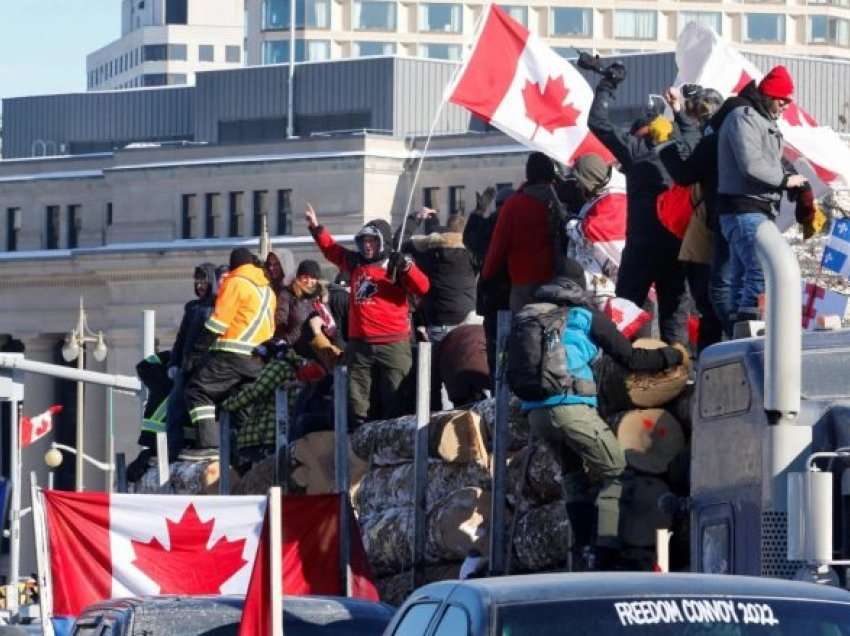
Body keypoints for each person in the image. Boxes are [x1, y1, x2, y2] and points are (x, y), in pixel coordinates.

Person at [523, 271, 684, 568]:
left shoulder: (528, 318)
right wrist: (671, 356)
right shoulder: (585, 317)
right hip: (571, 407)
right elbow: (633, 360)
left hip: (536, 413)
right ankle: (606, 548)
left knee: (574, 477)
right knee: (616, 470)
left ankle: (584, 548)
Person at [586, 57, 689, 345]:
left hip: (642, 244)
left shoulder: (636, 150)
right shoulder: (684, 150)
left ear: (639, 131)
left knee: (625, 314)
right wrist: (681, 113)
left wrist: (607, 85)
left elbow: (598, 122)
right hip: (677, 247)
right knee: (674, 319)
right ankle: (678, 373)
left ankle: (620, 370)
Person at [305, 203, 430, 428]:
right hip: (360, 346)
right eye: (364, 241)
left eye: (372, 241)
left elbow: (423, 287)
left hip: (393, 344)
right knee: (357, 402)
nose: (367, 246)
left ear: (381, 242)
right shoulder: (355, 263)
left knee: (395, 398)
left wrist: (407, 267)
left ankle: (393, 442)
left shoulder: (395, 264)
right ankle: (360, 442)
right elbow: (332, 250)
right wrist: (316, 229)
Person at [716, 65, 807, 324]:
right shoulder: (743, 118)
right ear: (770, 96)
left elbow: (764, 162)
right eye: (784, 99)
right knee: (761, 269)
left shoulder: (758, 120)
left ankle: (735, 331)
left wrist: (789, 180)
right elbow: (751, 165)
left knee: (742, 275)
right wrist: (785, 180)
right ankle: (748, 330)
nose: (787, 105)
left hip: (749, 210)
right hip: (744, 210)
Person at [182, 247, 276, 460]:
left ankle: (209, 445)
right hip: (257, 359)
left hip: (232, 353)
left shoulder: (235, 282)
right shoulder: (267, 289)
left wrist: (197, 351)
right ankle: (246, 454)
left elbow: (218, 323)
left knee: (197, 390)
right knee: (241, 404)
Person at [658, 86, 727, 349]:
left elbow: (686, 170)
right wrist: (677, 111)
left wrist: (665, 144)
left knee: (711, 305)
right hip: (707, 235)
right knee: (715, 304)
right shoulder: (723, 139)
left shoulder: (709, 143)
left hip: (702, 238)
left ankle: (709, 360)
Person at [482, 152, 566, 312]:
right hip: (558, 279)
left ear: (528, 174)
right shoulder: (561, 201)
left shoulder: (514, 204)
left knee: (524, 328)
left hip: (523, 282)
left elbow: (498, 245)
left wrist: (487, 275)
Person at [164, 263, 221, 459]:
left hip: (204, 366)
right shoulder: (193, 308)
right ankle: (176, 449)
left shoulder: (218, 306)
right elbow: (181, 339)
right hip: (186, 367)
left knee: (194, 409)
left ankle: (202, 443)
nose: (199, 286)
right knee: (176, 409)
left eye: (203, 281)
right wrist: (174, 363)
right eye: (197, 281)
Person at [464, 185, 511, 381]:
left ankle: (497, 388)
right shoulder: (515, 222)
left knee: (496, 352)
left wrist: (478, 212)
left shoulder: (490, 225)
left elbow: (469, 238)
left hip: (493, 297)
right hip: (513, 295)